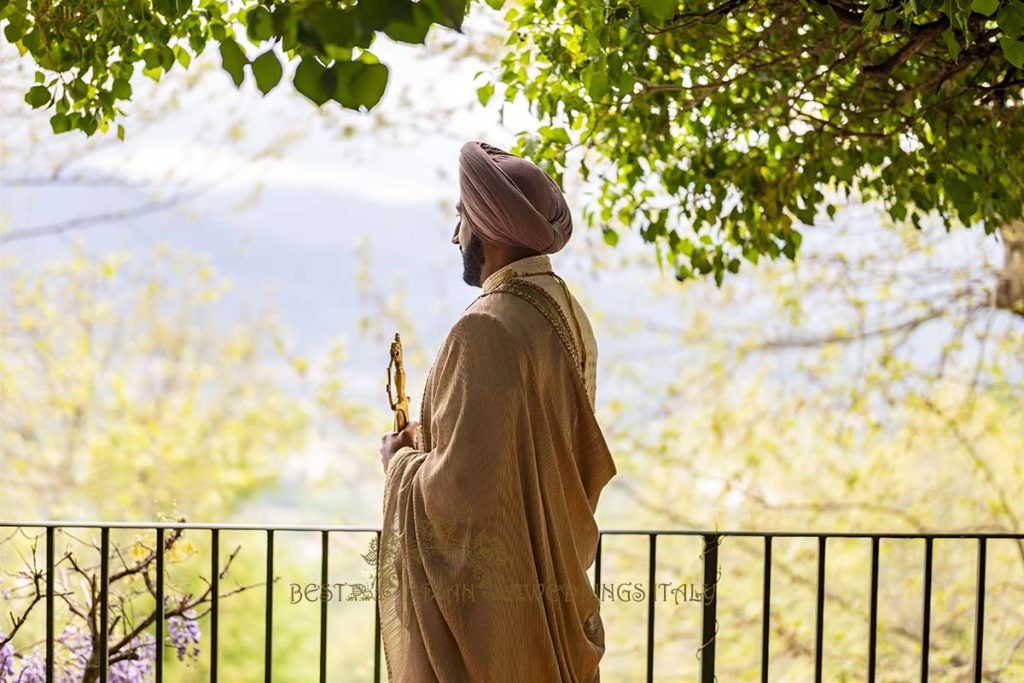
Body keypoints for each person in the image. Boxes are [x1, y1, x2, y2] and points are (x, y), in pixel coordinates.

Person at [378, 140, 617, 682]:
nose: (455, 233)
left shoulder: (485, 326)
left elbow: (466, 498)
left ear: (489, 225)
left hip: (507, 614)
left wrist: (399, 464)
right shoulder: (565, 314)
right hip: (551, 584)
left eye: (462, 216)